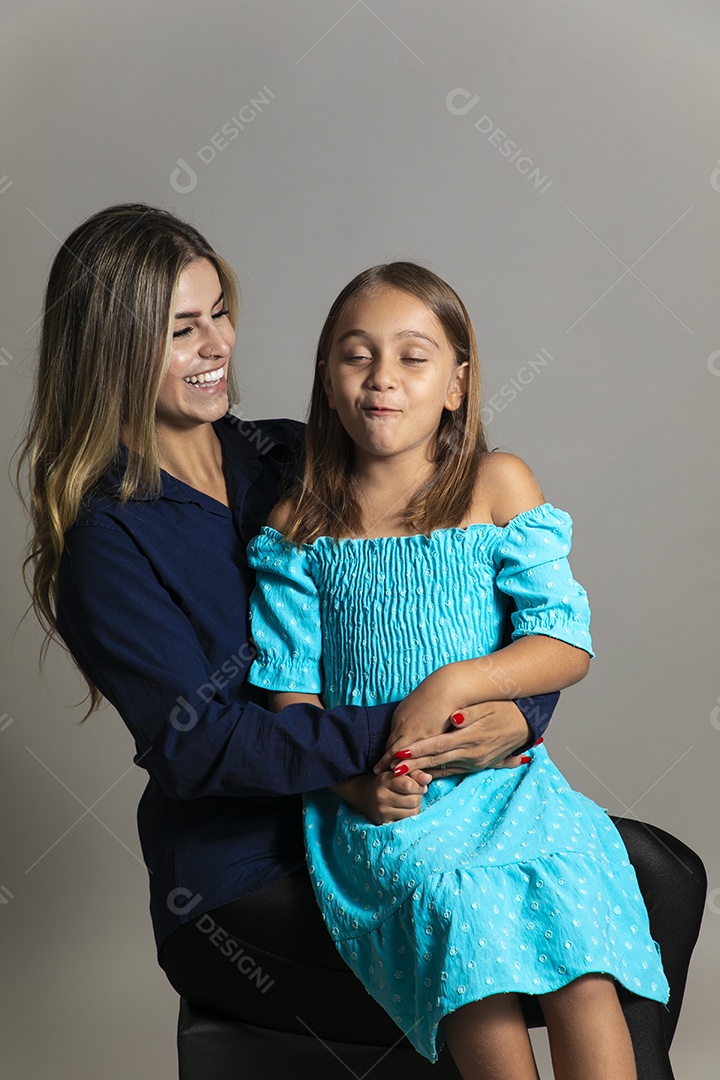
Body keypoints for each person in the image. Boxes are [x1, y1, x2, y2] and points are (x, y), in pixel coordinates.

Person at [17, 205, 703, 1080]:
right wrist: (395, 739)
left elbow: (486, 600)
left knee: (663, 880)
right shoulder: (110, 539)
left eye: (219, 311)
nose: (217, 343)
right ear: (111, 347)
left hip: (427, 798)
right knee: (534, 918)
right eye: (181, 329)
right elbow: (196, 745)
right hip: (243, 878)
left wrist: (513, 714)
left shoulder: (287, 457)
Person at [244, 263, 669, 1077]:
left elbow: (563, 645)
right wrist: (354, 788)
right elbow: (289, 697)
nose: (382, 380)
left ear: (457, 384)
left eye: (413, 357)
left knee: (580, 931)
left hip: (507, 785)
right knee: (460, 911)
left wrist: (454, 684)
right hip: (384, 805)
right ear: (327, 382)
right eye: (355, 356)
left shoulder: (495, 487)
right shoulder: (300, 527)